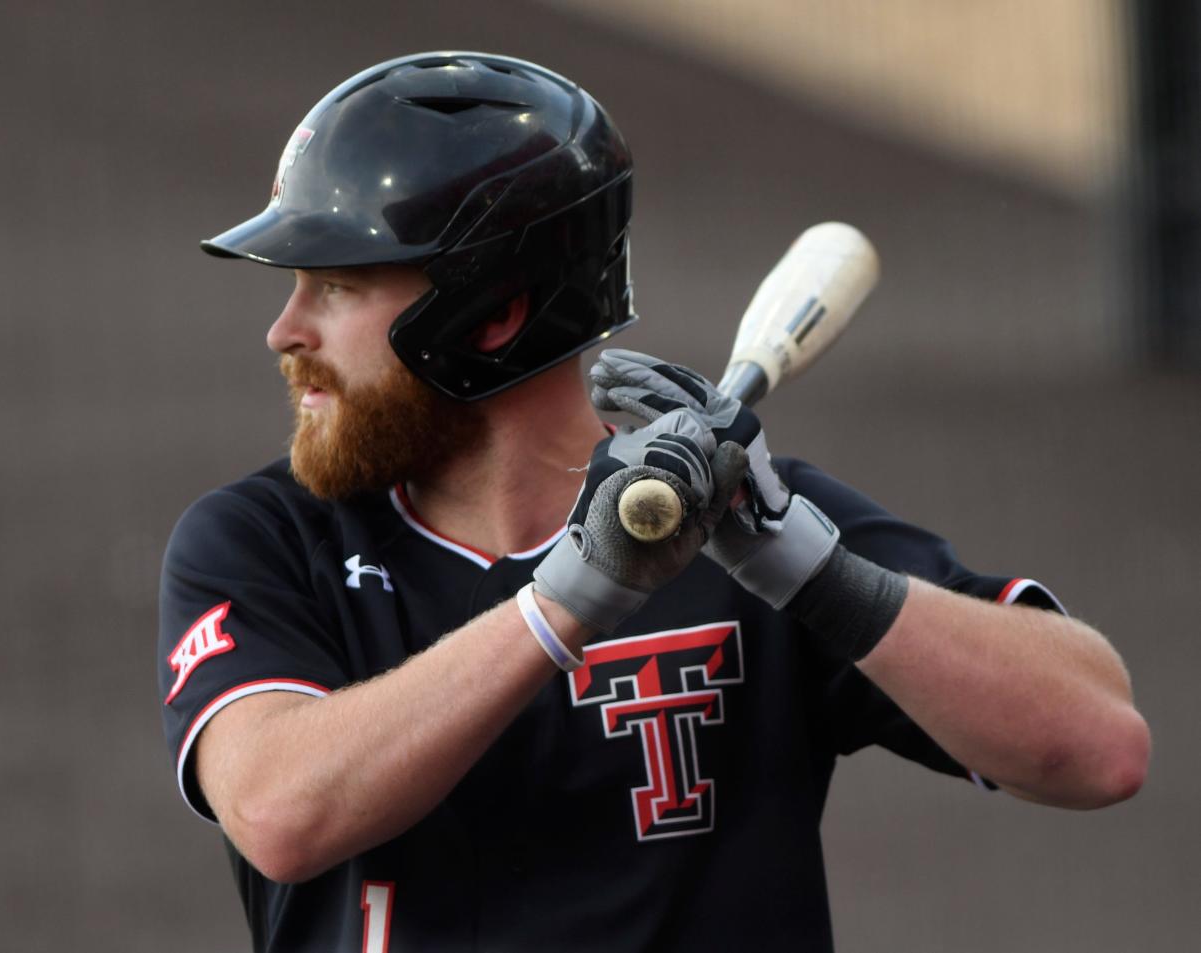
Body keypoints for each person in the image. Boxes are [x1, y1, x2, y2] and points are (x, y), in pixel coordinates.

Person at [157, 52, 1149, 953]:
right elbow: (283, 810)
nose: (285, 331)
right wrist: (566, 601)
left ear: (491, 315)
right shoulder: (265, 540)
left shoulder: (750, 525)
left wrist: (818, 574)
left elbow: (1099, 746)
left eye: (333, 287)